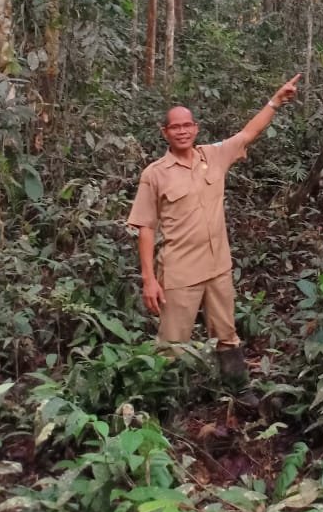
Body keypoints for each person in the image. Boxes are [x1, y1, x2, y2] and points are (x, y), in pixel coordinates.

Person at [128, 75, 301, 398]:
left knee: (226, 333)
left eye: (187, 125)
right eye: (175, 127)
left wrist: (275, 101)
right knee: (172, 344)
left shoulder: (213, 156)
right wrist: (149, 279)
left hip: (218, 266)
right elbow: (145, 226)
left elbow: (249, 133)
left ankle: (238, 390)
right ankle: (166, 404)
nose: (182, 131)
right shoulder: (155, 174)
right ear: (165, 133)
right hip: (180, 270)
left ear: (196, 129)